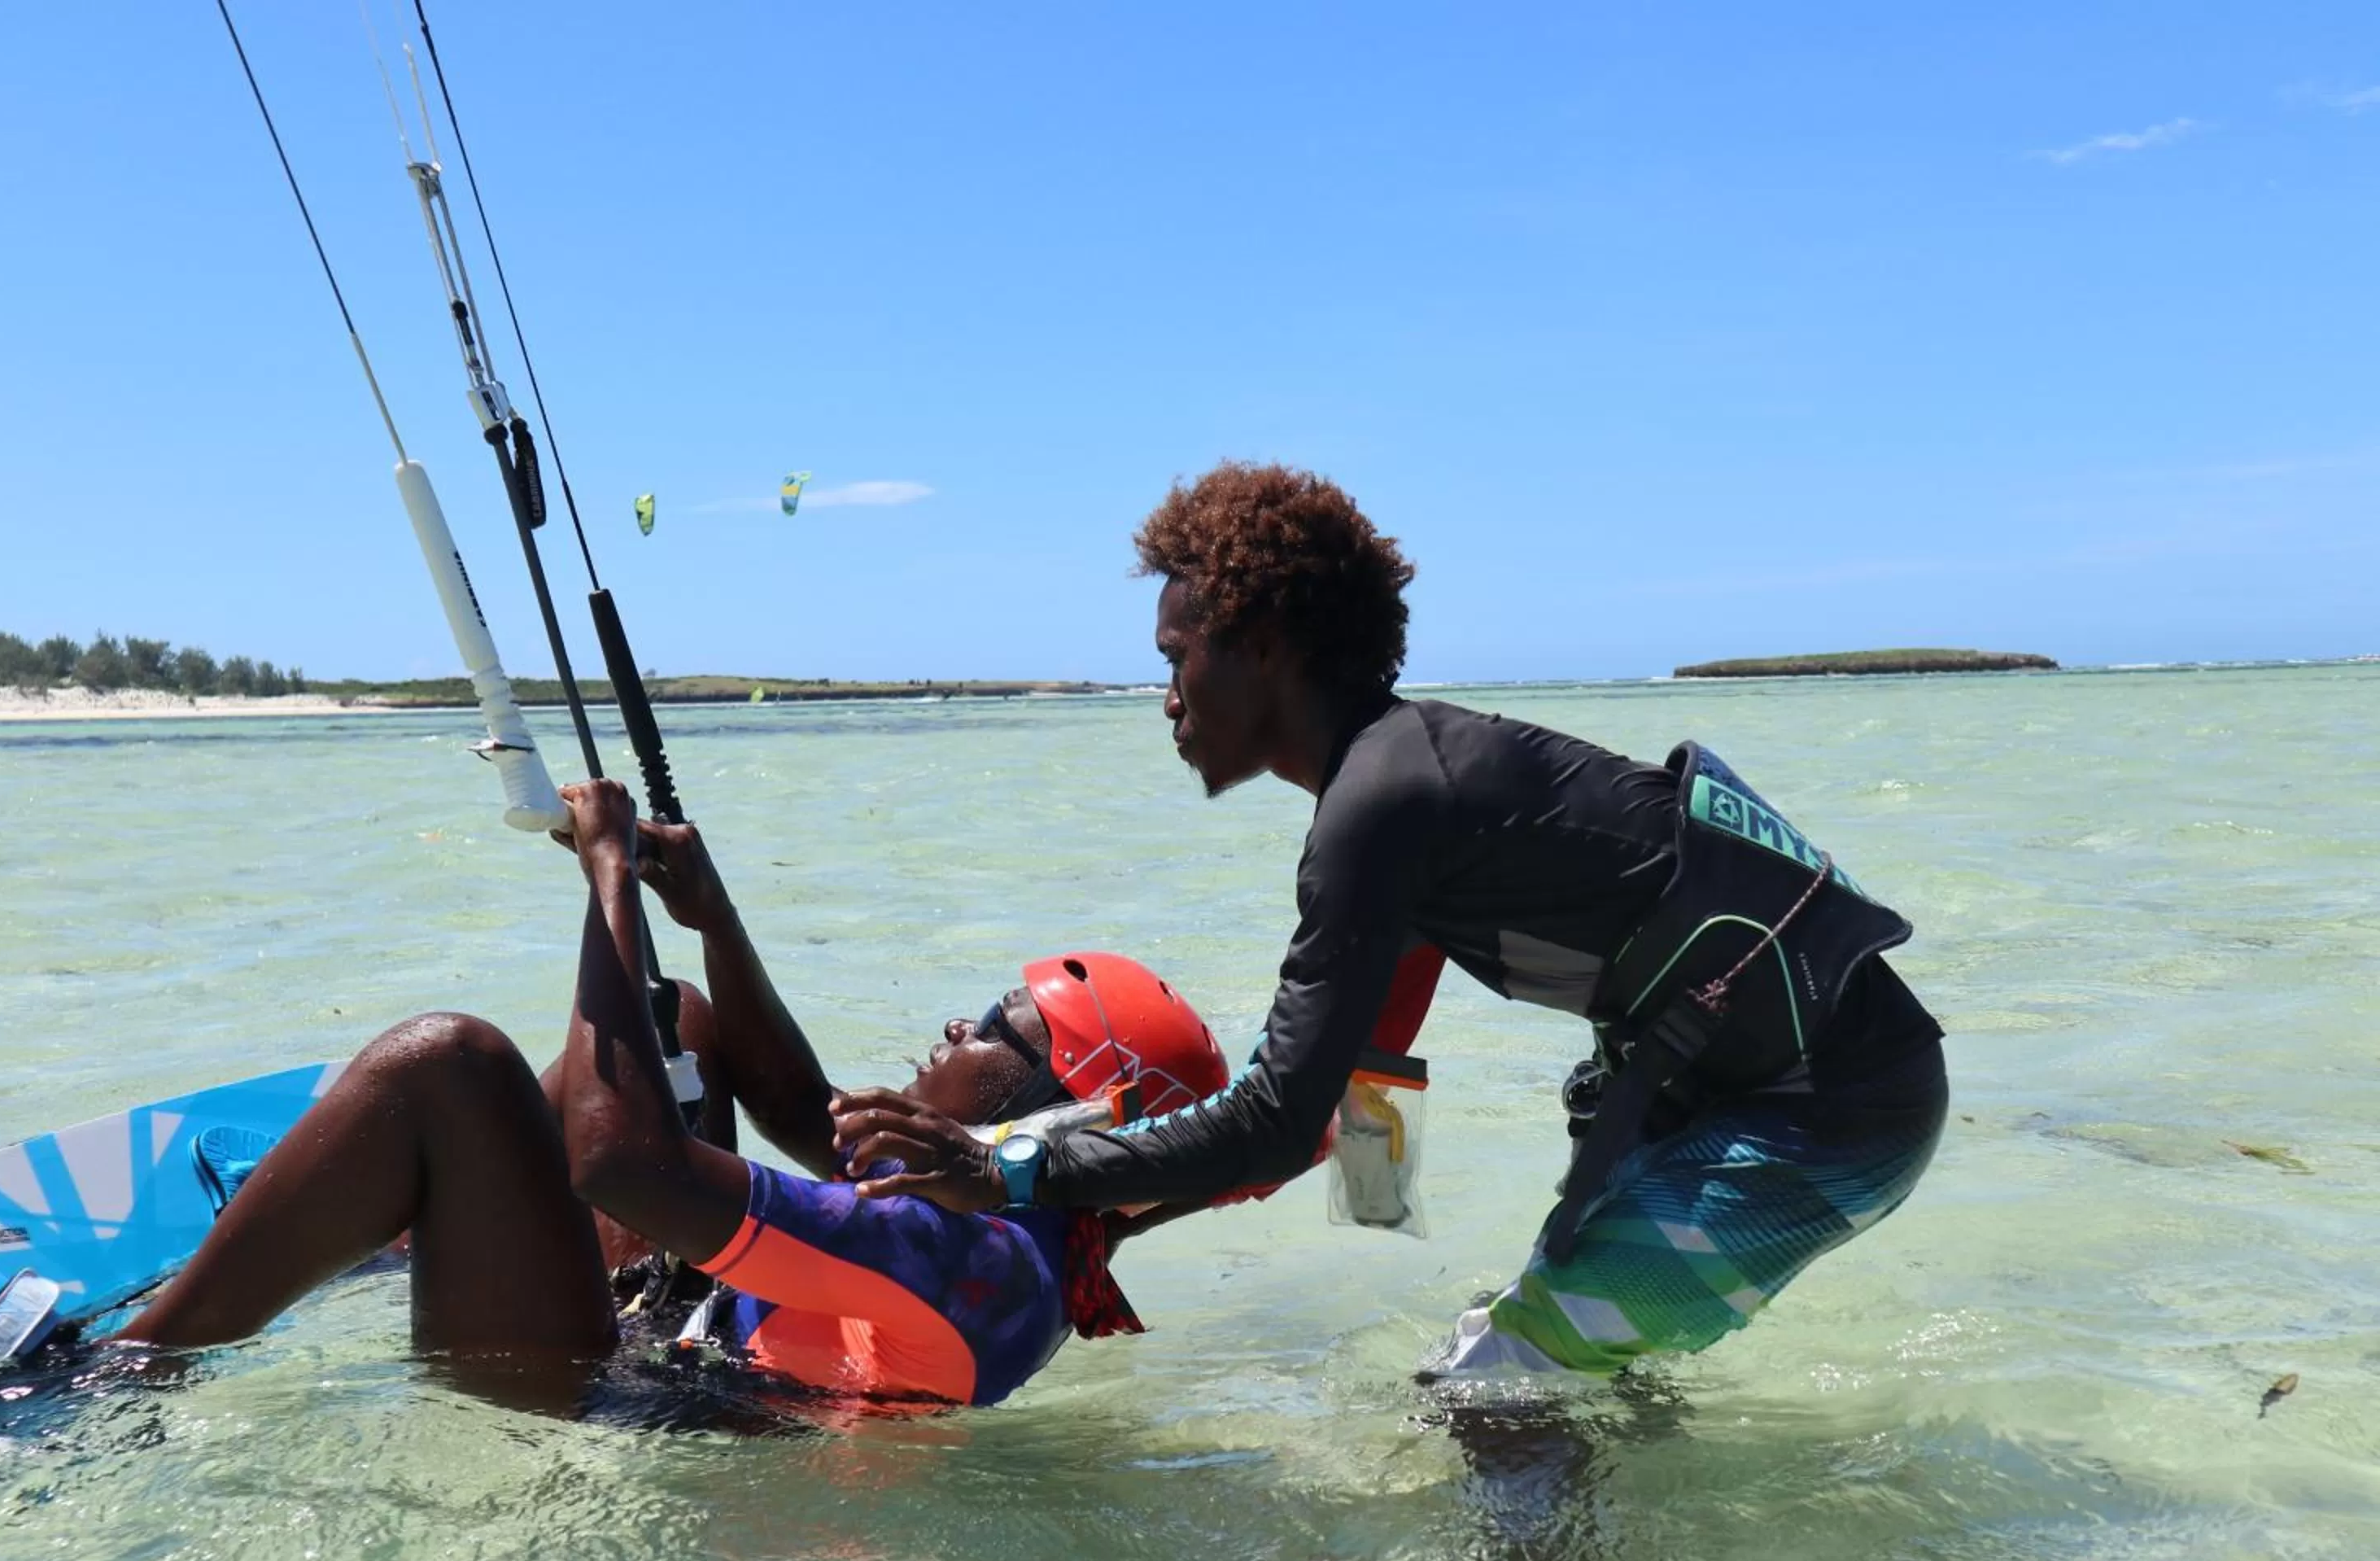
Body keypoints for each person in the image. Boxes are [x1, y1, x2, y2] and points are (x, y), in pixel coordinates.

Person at [832, 461, 1950, 1379]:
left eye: (1177, 659)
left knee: (1492, 1391)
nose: (1166, 698)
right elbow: (1330, 1117)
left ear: (1262, 642)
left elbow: (1272, 1122)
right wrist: (1096, 1210)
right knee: (1529, 1354)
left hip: (1825, 1119)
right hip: (1797, 1094)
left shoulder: (1384, 804)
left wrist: (1014, 1174)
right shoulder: (1413, 785)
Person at [98, 780, 1234, 1408]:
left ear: (1062, 1112)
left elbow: (617, 1166)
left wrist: (607, 889)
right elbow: (803, 1109)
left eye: (997, 1026)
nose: (958, 1025)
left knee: (450, 1066)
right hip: (668, 1328)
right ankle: (405, 1233)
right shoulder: (1003, 1208)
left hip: (611, 1413)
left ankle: (121, 1385)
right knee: (676, 1017)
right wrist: (712, 913)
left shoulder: (971, 1259)